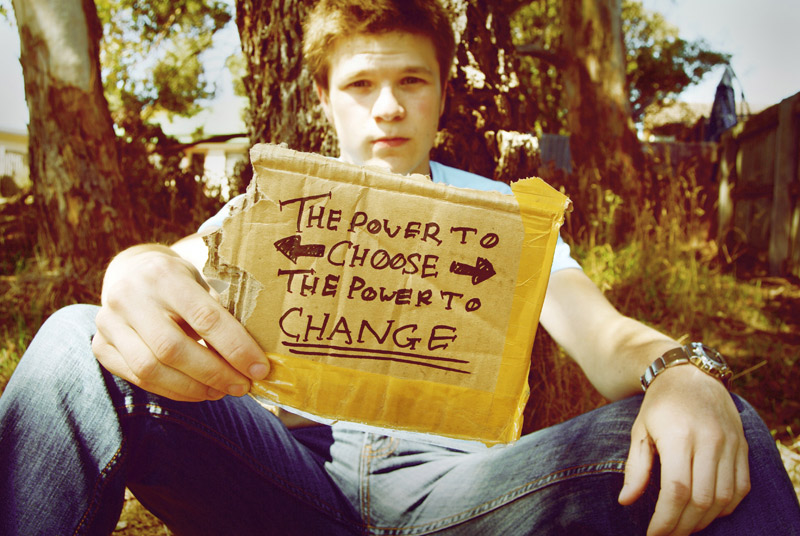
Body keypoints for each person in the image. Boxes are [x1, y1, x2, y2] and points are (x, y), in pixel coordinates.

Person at [1, 1, 798, 534]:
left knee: (724, 428)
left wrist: (683, 371)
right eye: (361, 84)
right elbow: (163, 277)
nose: (387, 107)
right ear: (326, 100)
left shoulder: (505, 216)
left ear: (443, 93)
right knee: (78, 340)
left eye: (410, 81)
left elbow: (605, 335)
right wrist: (133, 272)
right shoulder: (274, 202)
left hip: (463, 499)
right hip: (285, 479)